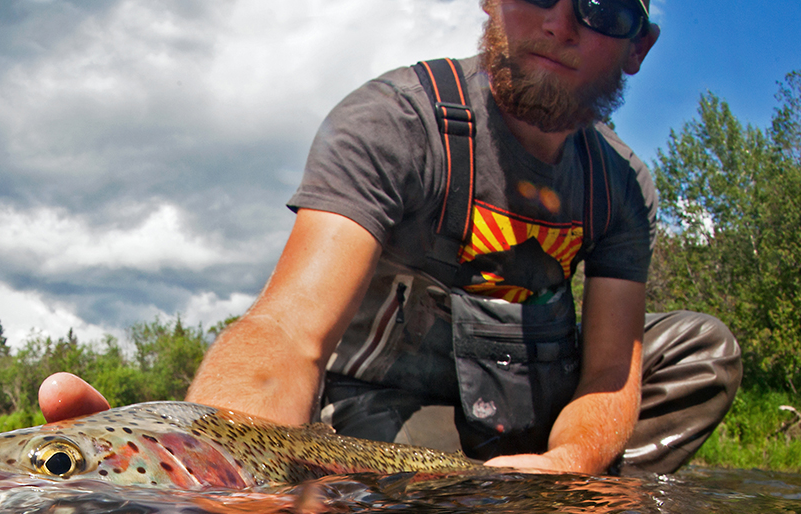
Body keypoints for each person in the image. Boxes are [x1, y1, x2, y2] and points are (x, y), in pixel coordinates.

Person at [40, 0, 742, 476]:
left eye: (603, 8)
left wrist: (572, 465)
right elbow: (289, 330)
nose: (561, 23)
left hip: (537, 401)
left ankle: (549, 498)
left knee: (698, 348)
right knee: (429, 490)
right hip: (399, 410)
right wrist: (211, 461)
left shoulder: (620, 184)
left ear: (637, 46)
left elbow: (608, 371)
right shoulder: (395, 122)